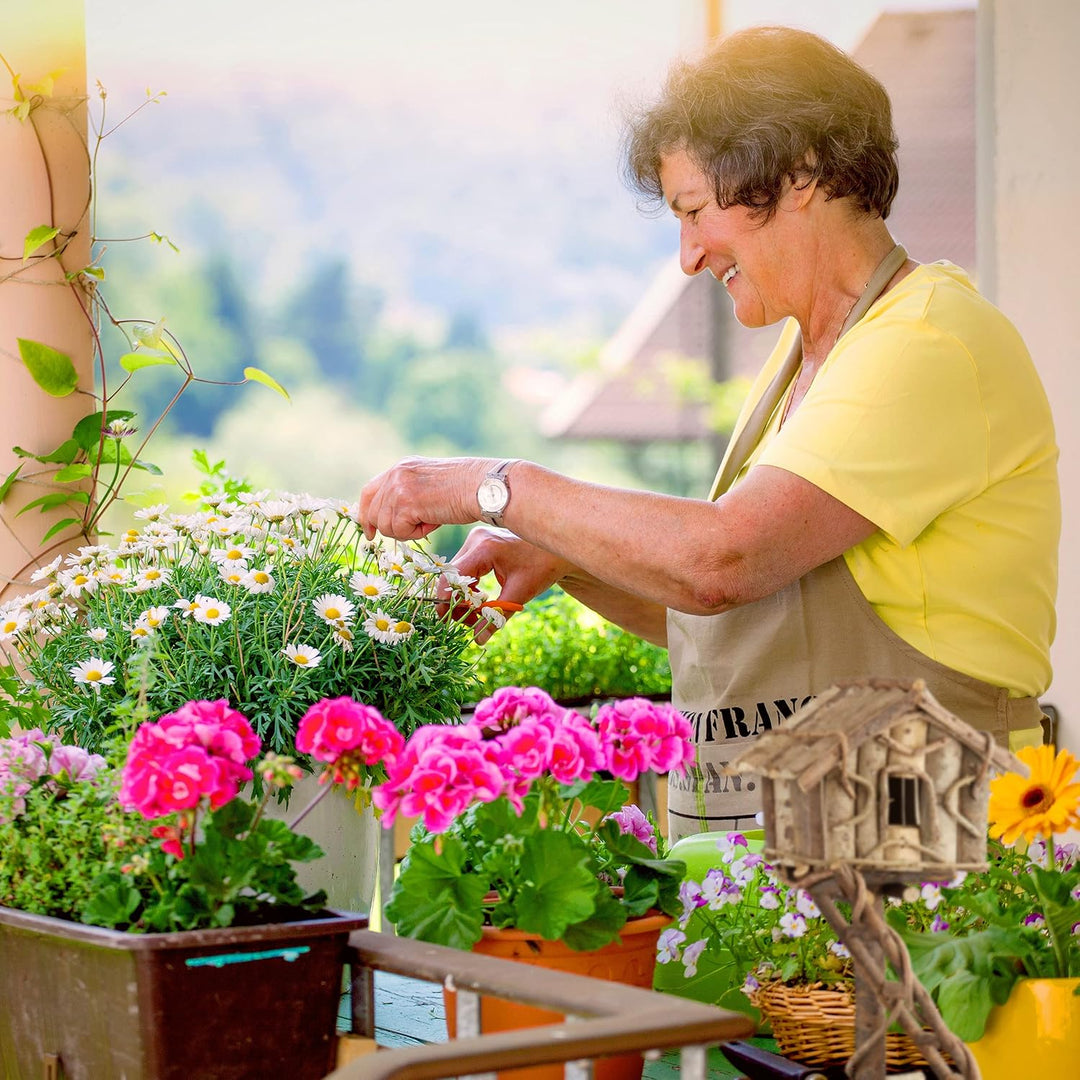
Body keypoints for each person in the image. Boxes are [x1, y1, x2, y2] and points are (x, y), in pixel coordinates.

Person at [358, 26, 1059, 841]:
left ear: (798, 173)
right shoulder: (808, 359)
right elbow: (736, 626)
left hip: (924, 867)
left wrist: (492, 488)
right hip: (796, 876)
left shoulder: (927, 342)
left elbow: (724, 561)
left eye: (694, 211)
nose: (689, 256)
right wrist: (562, 557)